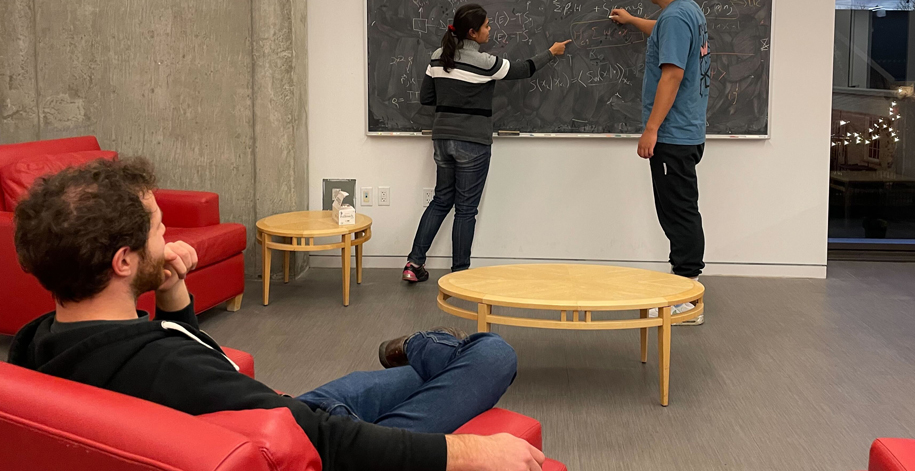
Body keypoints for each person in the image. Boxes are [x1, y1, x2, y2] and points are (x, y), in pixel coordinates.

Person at [8, 158, 547, 471]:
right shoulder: (165, 365)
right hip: (301, 435)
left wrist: (172, 293)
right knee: (491, 353)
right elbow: (321, 443)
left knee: (416, 378)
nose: (168, 239)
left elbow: (199, 366)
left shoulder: (38, 343)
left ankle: (419, 357)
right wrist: (469, 452)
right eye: (157, 230)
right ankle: (426, 348)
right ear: (122, 261)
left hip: (277, 412)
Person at [402, 4, 571, 283]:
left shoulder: (437, 58)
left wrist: (452, 99)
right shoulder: (485, 63)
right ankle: (459, 275)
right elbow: (522, 69)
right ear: (472, 32)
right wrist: (551, 53)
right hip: (472, 142)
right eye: (486, 26)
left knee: (441, 200)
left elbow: (426, 98)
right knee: (466, 209)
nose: (490, 30)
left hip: (442, 139)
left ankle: (413, 263)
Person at [610, 0, 711, 325]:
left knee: (678, 211)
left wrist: (650, 129)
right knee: (681, 208)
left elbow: (671, 74)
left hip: (673, 133)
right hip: (688, 130)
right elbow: (664, 36)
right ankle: (684, 286)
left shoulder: (675, 17)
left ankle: (686, 297)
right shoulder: (687, 11)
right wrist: (634, 20)